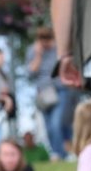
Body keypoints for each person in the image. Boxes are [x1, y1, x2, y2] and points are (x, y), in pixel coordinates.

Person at [26, 26, 69, 161]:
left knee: (57, 123)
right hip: (43, 94)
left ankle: (62, 153)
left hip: (60, 90)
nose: (45, 42)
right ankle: (56, 153)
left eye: (48, 39)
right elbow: (31, 73)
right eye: (42, 39)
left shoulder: (58, 49)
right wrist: (38, 55)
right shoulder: (33, 51)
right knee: (48, 126)